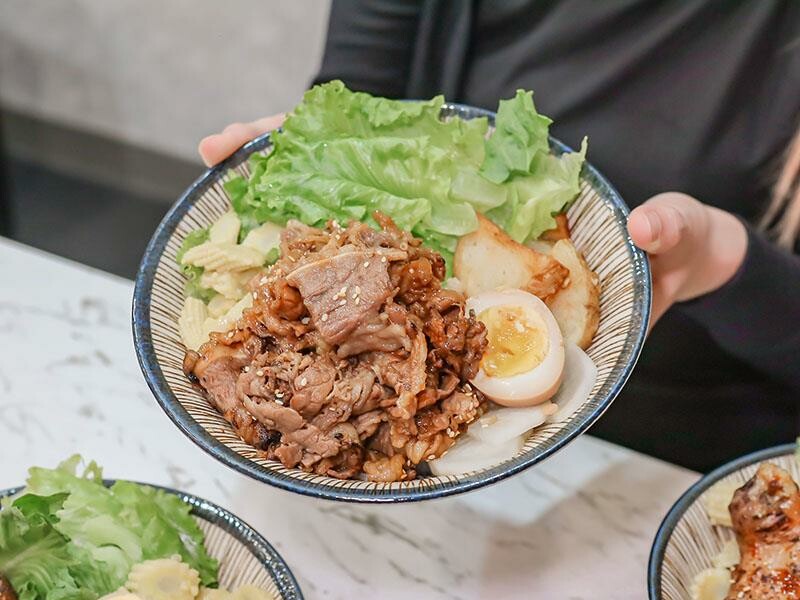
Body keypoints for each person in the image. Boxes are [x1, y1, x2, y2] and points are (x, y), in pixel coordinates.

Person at [197, 1, 800, 471]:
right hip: (418, 467)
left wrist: (725, 262)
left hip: (684, 448)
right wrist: (326, 146)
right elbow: (358, 93)